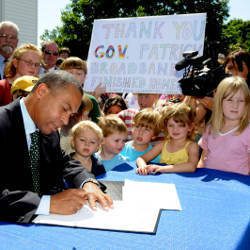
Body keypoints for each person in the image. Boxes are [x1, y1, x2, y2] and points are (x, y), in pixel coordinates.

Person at [0, 70, 113, 223]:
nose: (66, 121)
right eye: (64, 109)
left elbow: (64, 162)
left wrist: (88, 182)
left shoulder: (48, 128)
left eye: (71, 114)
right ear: (42, 91)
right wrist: (47, 203)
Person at [198, 76, 250, 175]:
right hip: (210, 185)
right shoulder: (210, 129)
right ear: (219, 102)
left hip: (237, 185)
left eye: (241, 101)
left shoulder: (248, 132)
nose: (235, 105)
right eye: (230, 100)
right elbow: (202, 160)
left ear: (246, 104)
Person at [136, 102, 199, 175]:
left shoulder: (192, 146)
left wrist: (162, 168)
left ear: (190, 127)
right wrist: (143, 167)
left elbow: (191, 166)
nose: (175, 129)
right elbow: (141, 158)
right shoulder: (163, 145)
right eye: (171, 125)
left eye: (180, 125)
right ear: (166, 126)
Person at [60, 56, 102, 123]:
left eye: (79, 74)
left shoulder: (91, 101)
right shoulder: (54, 98)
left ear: (85, 77)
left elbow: (98, 128)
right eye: (70, 73)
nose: (74, 77)